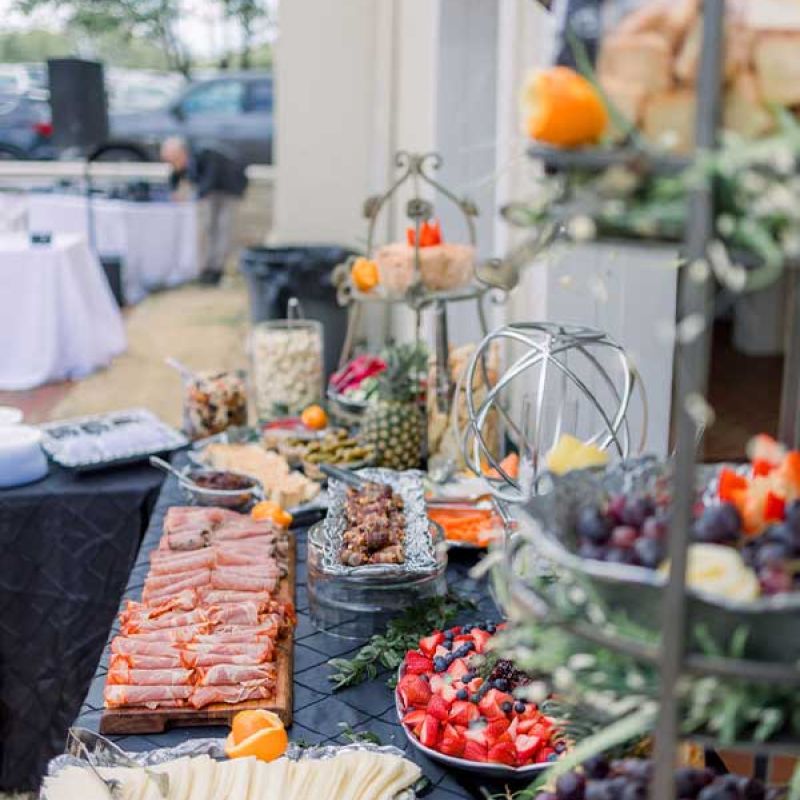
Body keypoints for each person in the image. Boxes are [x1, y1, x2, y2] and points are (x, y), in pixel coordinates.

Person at [160, 136, 248, 285]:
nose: (173, 164)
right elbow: (176, 174)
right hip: (213, 188)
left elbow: (209, 181)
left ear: (181, 153)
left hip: (230, 187)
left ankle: (216, 270)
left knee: (222, 228)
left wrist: (192, 196)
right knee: (209, 228)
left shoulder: (207, 155)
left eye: (173, 160)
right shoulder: (187, 159)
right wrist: (173, 191)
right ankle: (207, 267)